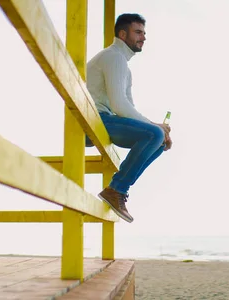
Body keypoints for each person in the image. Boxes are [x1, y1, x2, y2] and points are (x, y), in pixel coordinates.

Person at [85, 13, 172, 223]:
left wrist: (159, 131)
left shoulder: (123, 65)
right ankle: (116, 189)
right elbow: (119, 106)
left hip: (103, 121)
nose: (143, 37)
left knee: (159, 141)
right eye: (138, 32)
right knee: (155, 133)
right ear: (123, 34)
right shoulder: (112, 57)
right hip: (93, 121)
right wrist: (155, 126)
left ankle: (118, 190)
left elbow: (128, 107)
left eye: (144, 33)